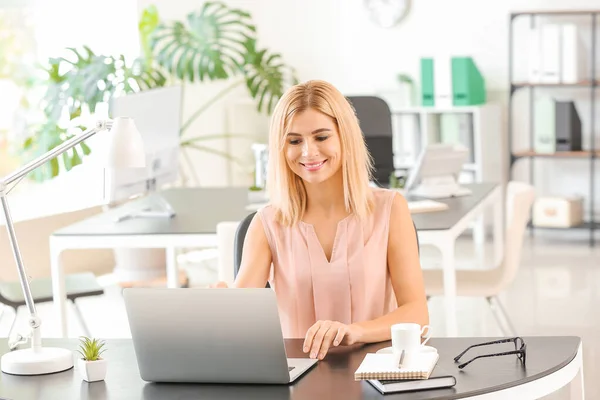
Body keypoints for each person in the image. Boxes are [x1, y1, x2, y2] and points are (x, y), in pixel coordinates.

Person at [214, 80, 429, 360]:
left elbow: (417, 313)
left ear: (344, 136)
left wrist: (354, 331)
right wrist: (218, 303)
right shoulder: (267, 223)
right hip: (298, 377)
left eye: (321, 137)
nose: (308, 152)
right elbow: (239, 316)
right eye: (294, 141)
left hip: (374, 374)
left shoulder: (390, 209)